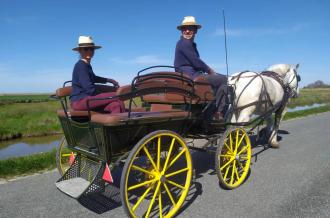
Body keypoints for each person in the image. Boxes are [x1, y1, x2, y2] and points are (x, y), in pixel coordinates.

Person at [174, 16, 228, 120]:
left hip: (189, 75)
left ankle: (209, 110)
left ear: (195, 31)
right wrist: (209, 70)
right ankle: (219, 112)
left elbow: (195, 62)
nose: (187, 31)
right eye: (185, 29)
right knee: (224, 79)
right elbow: (196, 61)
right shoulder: (184, 43)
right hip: (191, 76)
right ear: (181, 31)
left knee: (215, 80)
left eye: (191, 28)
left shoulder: (186, 44)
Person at [70, 36, 125, 113]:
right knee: (119, 96)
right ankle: (124, 121)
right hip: (79, 101)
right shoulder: (81, 66)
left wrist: (109, 80)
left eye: (91, 49)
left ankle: (115, 124)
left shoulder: (86, 65)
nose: (89, 51)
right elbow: (89, 88)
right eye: (86, 49)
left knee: (115, 105)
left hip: (88, 99)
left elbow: (94, 78)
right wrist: (104, 95)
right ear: (80, 51)